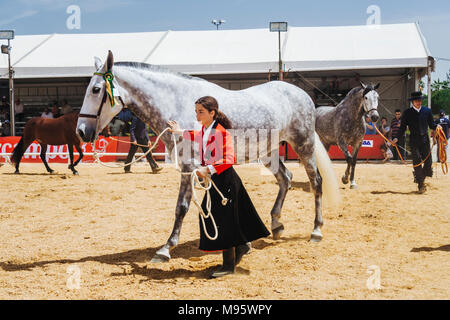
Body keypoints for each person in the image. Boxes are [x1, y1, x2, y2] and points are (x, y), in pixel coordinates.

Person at [168, 96, 270, 279]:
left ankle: (229, 265)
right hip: (218, 181)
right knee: (222, 219)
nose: (197, 115)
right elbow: (198, 136)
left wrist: (207, 169)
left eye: (201, 112)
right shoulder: (208, 128)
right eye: (196, 111)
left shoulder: (221, 132)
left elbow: (229, 159)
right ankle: (242, 246)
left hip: (225, 181)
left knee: (223, 223)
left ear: (212, 112)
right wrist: (179, 132)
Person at [393, 91, 440, 193]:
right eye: (416, 100)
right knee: (417, 160)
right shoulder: (407, 113)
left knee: (428, 163)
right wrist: (396, 138)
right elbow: (402, 128)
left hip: (425, 140)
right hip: (414, 140)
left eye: (419, 100)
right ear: (412, 102)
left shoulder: (427, 111)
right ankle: (420, 184)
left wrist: (437, 126)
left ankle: (420, 177)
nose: (418, 102)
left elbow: (432, 125)